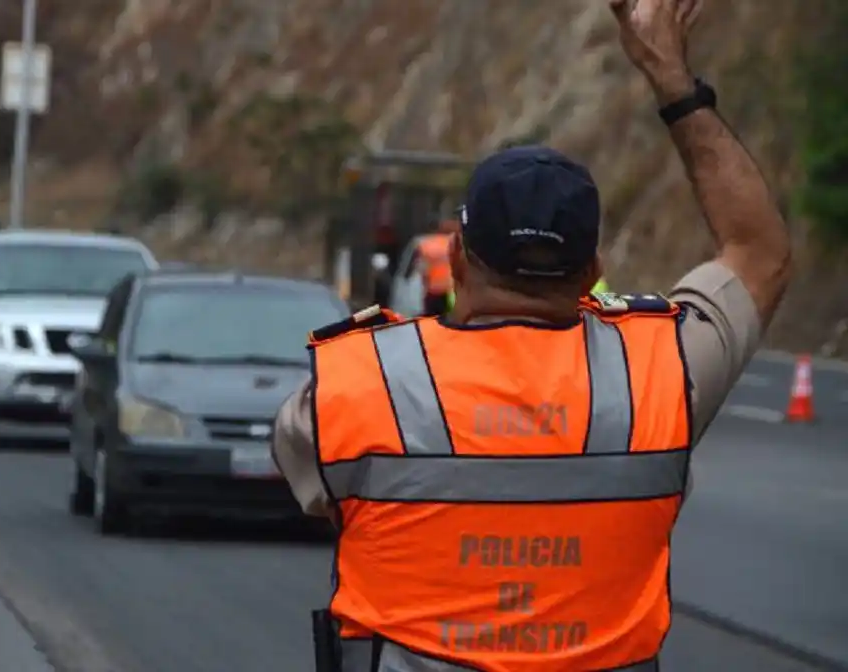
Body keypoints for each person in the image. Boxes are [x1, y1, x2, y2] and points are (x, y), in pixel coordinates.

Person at [272, 1, 793, 669]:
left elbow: (304, 473)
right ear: (593, 271)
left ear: (456, 259)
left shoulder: (357, 386)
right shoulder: (663, 373)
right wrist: (673, 82)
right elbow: (758, 251)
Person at [416, 218, 458, 316]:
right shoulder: (451, 243)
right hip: (450, 291)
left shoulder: (425, 245)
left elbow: (423, 270)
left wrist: (425, 286)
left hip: (432, 290)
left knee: (432, 320)